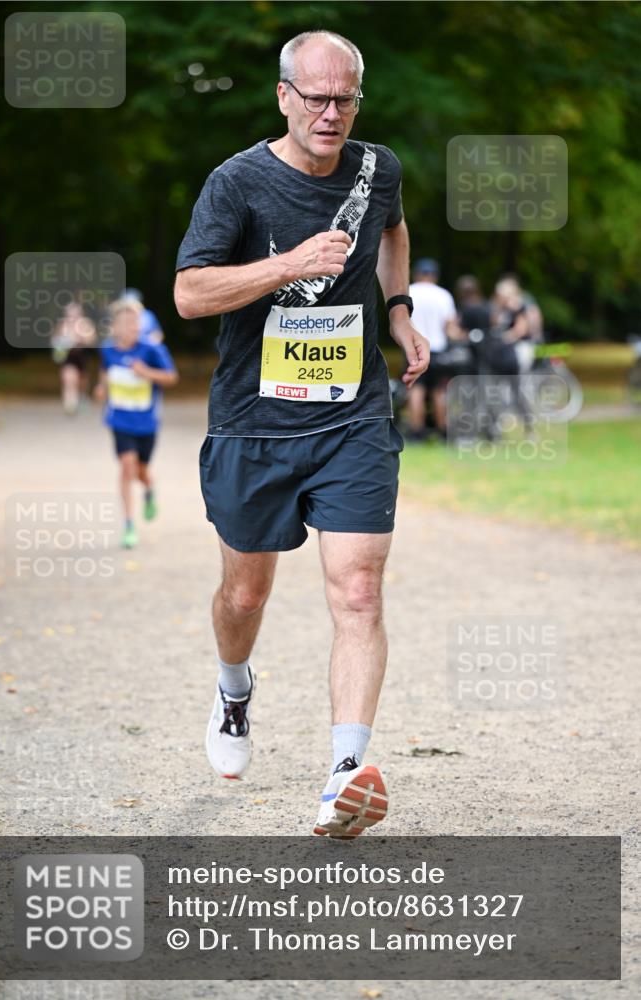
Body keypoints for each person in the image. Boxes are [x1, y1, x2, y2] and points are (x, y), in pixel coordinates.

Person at [174, 30, 429, 838]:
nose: (329, 113)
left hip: (353, 414)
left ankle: (344, 775)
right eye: (314, 97)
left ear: (358, 98)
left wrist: (397, 312)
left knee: (357, 590)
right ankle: (233, 686)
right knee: (244, 593)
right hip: (254, 422)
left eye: (344, 98)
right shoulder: (236, 183)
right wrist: (285, 266)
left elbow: (391, 229)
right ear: (282, 95)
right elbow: (188, 294)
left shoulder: (375, 168)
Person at [95, 297, 179, 548]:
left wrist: (147, 373)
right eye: (128, 323)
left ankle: (150, 489)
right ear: (115, 327)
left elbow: (171, 378)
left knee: (141, 471)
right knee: (127, 466)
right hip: (119, 420)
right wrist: (101, 388)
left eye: (137, 323)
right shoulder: (108, 350)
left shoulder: (151, 349)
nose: (134, 327)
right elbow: (105, 372)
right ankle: (129, 524)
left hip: (147, 423)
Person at [405, 259, 459, 440]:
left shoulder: (409, 291)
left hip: (413, 348)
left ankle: (416, 431)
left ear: (417, 273)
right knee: (439, 390)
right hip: (438, 349)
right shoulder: (443, 295)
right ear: (435, 276)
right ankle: (443, 430)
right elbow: (450, 328)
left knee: (416, 389)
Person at [51, 300, 98, 415]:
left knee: (82, 381)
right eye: (69, 313)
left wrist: (80, 339)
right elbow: (54, 340)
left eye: (75, 313)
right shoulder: (63, 325)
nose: (72, 316)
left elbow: (92, 340)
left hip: (82, 357)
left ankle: (82, 396)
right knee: (69, 379)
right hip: (68, 358)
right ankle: (70, 404)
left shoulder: (85, 324)